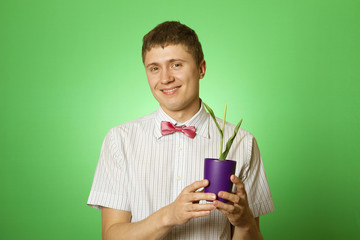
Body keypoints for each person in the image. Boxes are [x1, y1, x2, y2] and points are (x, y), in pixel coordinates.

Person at [87, 21, 275, 240]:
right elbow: (111, 236)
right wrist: (170, 215)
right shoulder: (119, 140)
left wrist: (244, 223)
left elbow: (252, 235)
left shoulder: (243, 143)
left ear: (201, 69)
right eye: (154, 68)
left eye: (176, 64)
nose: (165, 78)